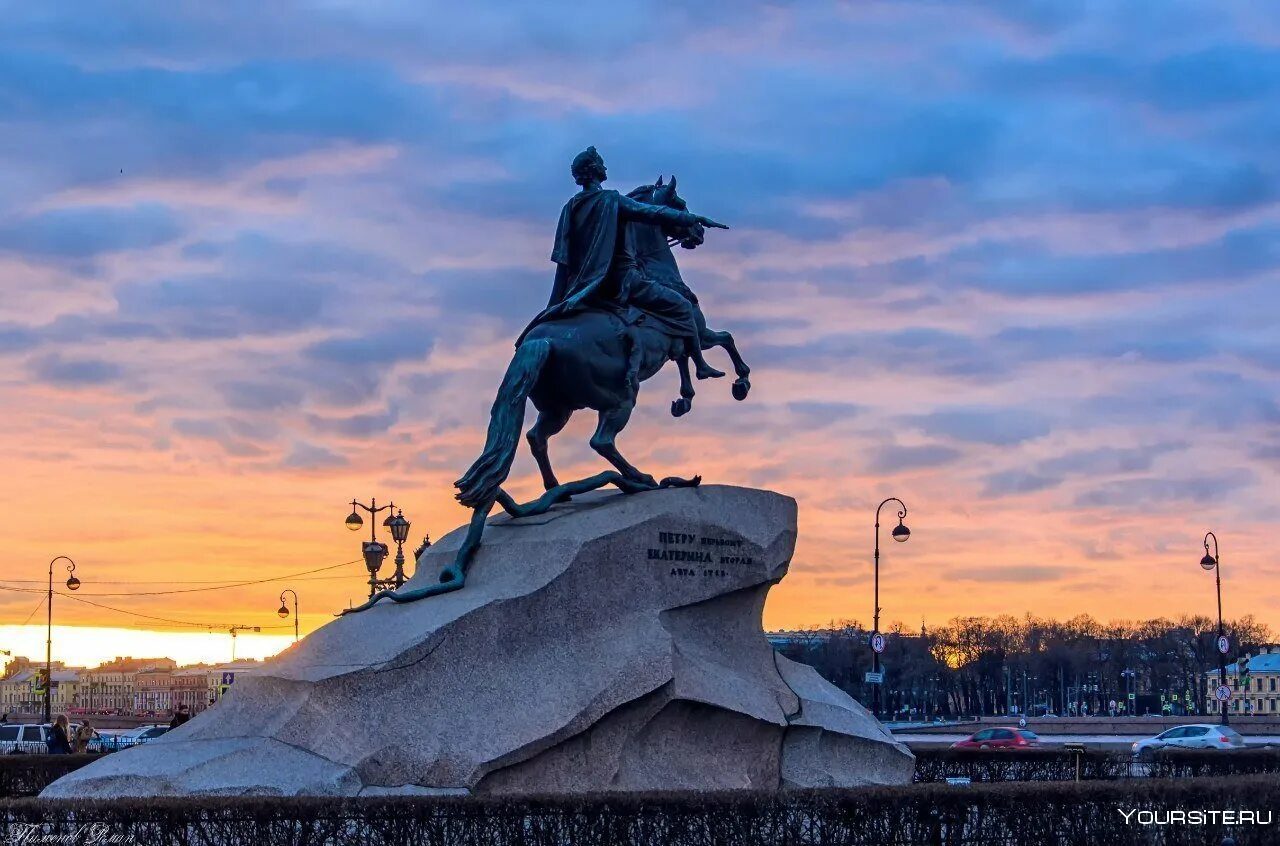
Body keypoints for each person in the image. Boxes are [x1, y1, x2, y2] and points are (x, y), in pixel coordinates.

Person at [518, 146, 729, 385]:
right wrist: (691, 218)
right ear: (595, 170)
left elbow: (565, 255)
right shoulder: (611, 200)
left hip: (583, 286)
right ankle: (700, 365)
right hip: (622, 280)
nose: (605, 168)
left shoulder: (570, 208)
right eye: (601, 164)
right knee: (681, 305)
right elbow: (651, 212)